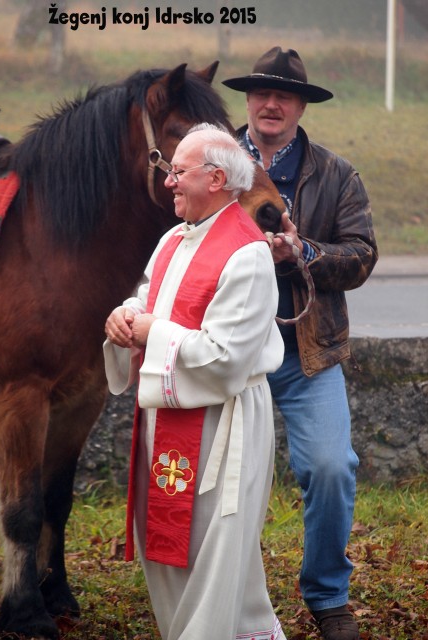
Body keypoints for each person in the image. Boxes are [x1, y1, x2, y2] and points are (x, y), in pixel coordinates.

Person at [103, 124, 287, 640]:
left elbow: (226, 358)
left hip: (222, 428)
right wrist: (124, 317)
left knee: (215, 557)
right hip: (168, 422)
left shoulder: (246, 254)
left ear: (217, 178)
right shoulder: (173, 238)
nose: (169, 183)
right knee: (170, 552)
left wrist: (151, 332)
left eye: (178, 172)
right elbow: (150, 298)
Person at [222, 47, 378, 640]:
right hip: (228, 354)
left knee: (333, 468)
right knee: (223, 482)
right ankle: (222, 590)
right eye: (261, 92)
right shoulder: (209, 164)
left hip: (305, 355)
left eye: (283, 95)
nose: (270, 103)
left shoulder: (337, 175)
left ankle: (328, 598)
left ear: (300, 106)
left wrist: (303, 251)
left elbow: (362, 256)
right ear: (248, 100)